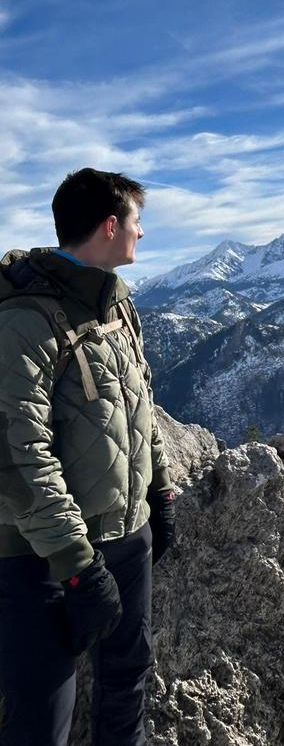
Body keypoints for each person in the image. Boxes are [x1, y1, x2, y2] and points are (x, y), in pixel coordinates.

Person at [0, 168, 175, 746]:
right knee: (43, 712)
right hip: (41, 559)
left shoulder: (117, 306)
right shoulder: (24, 321)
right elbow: (18, 460)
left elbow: (139, 401)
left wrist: (161, 492)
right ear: (108, 225)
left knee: (128, 683)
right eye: (135, 220)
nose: (142, 234)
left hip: (126, 534)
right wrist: (76, 566)